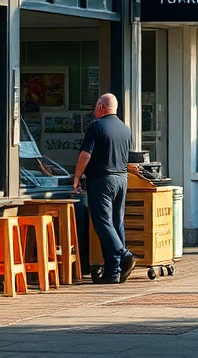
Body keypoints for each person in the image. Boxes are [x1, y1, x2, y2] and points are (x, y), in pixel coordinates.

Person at [73, 93, 135, 284]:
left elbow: (85, 155)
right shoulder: (126, 129)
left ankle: (123, 254)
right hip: (122, 178)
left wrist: (76, 177)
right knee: (117, 223)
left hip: (102, 179)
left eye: (95, 107)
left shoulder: (96, 127)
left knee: (102, 223)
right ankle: (113, 272)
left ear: (101, 107)